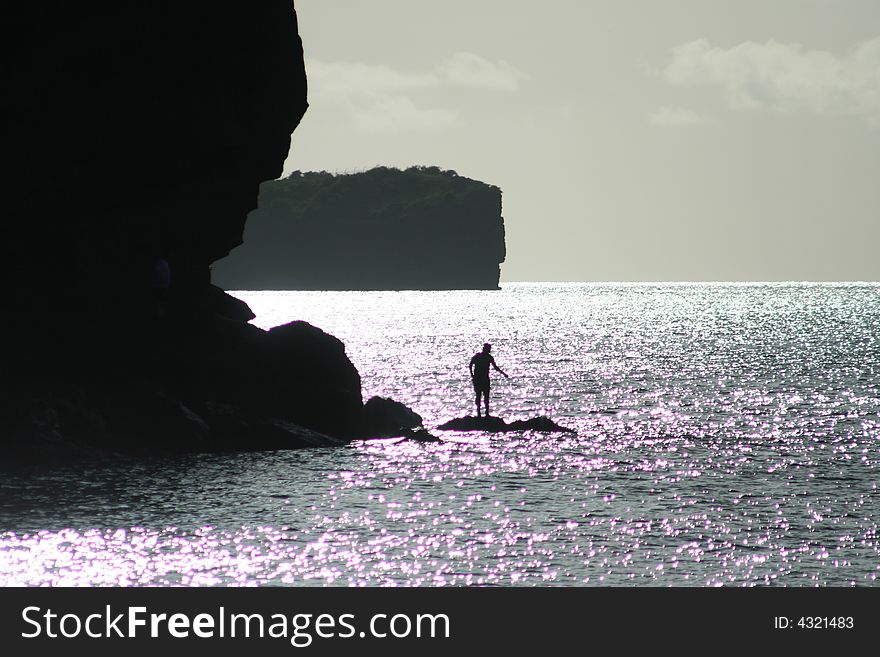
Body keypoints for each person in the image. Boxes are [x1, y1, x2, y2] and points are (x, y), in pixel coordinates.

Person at [469, 342, 509, 417]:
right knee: (480, 395)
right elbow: (470, 365)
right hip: (479, 378)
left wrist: (503, 373)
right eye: (489, 349)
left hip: (483, 379)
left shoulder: (488, 357)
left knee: (484, 396)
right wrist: (472, 375)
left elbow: (495, 367)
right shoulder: (480, 356)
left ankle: (485, 413)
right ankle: (480, 413)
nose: (489, 350)